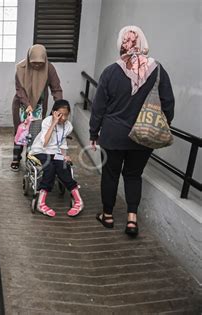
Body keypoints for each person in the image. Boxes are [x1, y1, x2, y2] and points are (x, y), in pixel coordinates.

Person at [89, 25, 175, 236]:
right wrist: (158, 126)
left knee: (110, 175)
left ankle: (107, 216)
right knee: (134, 175)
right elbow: (168, 104)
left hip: (113, 136)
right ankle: (131, 220)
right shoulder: (158, 70)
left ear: (121, 44)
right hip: (143, 136)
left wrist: (94, 133)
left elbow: (99, 107)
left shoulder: (110, 71)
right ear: (143, 43)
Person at [11, 44, 63, 171]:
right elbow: (19, 90)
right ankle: (16, 157)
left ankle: (33, 158)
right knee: (20, 132)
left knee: (36, 133)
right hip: (21, 104)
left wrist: (59, 106)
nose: (37, 66)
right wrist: (27, 105)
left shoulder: (49, 68)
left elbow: (56, 89)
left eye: (40, 63)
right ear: (29, 60)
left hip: (39, 105)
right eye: (34, 63)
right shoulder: (20, 68)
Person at [29, 100, 84, 217]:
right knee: (49, 168)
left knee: (64, 167)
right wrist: (54, 122)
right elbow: (44, 143)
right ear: (54, 112)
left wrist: (64, 155)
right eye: (60, 114)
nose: (63, 118)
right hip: (40, 150)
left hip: (55, 152)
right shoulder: (47, 121)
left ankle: (79, 201)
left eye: (66, 115)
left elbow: (62, 142)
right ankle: (41, 203)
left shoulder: (68, 126)